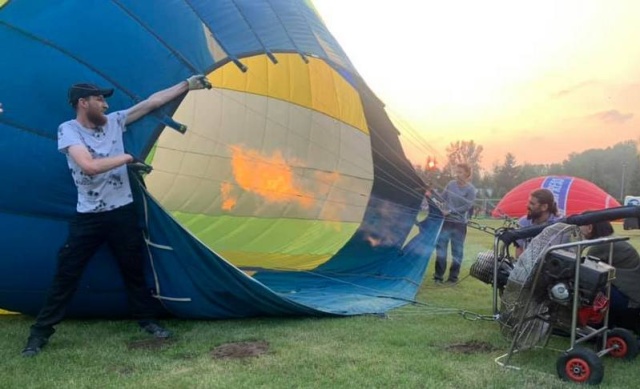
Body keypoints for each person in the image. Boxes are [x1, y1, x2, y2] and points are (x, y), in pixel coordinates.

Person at [21, 75, 211, 357]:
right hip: (89, 218)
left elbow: (151, 103)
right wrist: (126, 158)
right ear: (83, 103)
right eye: (100, 99)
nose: (106, 105)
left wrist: (186, 84)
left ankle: (147, 321)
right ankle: (39, 335)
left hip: (122, 212)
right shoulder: (69, 130)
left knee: (134, 269)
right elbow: (88, 166)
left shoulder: (115, 122)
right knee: (66, 274)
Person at [579, 219, 640, 334]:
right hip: (633, 298)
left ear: (590, 227)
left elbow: (585, 274)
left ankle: (590, 324)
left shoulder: (600, 246)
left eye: (581, 226)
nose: (579, 230)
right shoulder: (613, 240)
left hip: (628, 301)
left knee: (586, 287)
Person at [433, 163, 476, 284]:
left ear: (467, 174)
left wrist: (451, 211)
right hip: (446, 222)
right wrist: (433, 195)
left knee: (457, 251)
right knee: (441, 248)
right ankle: (438, 277)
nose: (457, 175)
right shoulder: (451, 184)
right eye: (456, 172)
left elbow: (468, 205)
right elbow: (442, 198)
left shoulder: (471, 189)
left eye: (460, 172)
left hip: (459, 224)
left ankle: (453, 278)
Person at [515, 188, 563, 257]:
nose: (527, 206)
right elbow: (519, 250)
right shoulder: (523, 222)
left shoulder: (560, 225)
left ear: (544, 207)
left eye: (532, 203)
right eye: (529, 202)